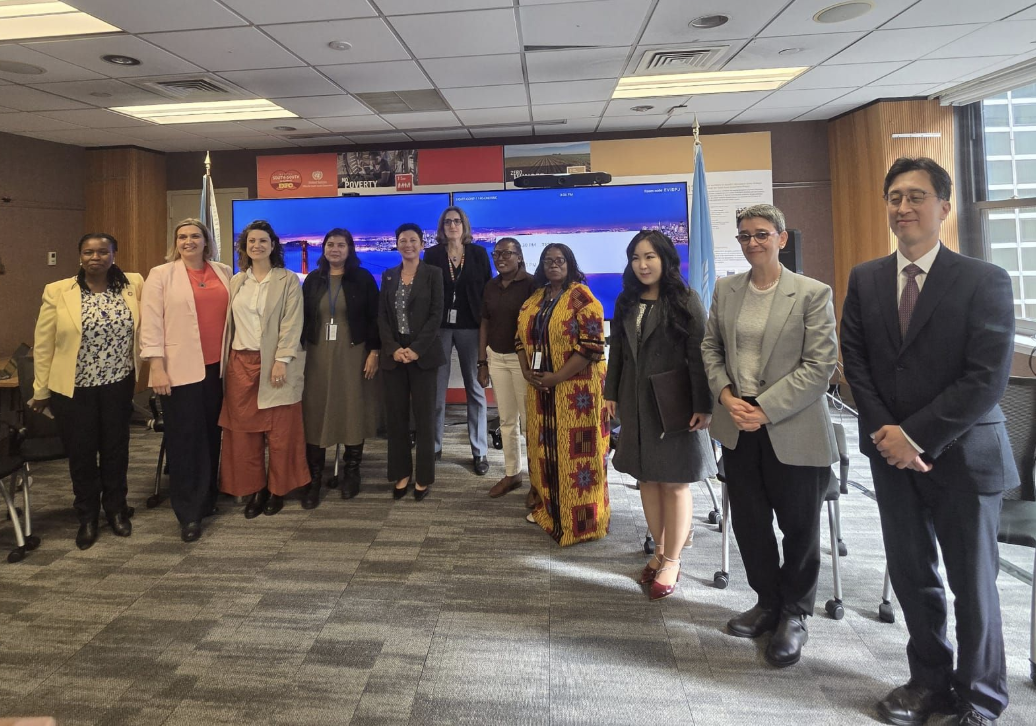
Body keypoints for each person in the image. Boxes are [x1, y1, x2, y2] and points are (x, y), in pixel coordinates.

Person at [841, 157, 1015, 726]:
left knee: (974, 586)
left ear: (944, 206)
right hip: (892, 458)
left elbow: (985, 377)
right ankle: (929, 681)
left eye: (916, 196)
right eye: (894, 197)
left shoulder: (983, 279)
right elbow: (857, 365)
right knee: (913, 575)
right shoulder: (866, 278)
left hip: (964, 456)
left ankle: (981, 698)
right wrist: (890, 436)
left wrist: (916, 435)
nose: (903, 207)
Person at [701, 204, 838, 668]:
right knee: (751, 524)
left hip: (793, 429)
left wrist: (764, 408)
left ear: (781, 238)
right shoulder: (726, 289)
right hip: (738, 429)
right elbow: (711, 347)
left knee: (799, 528)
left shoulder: (812, 294)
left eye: (761, 234)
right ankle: (767, 602)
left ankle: (795, 614)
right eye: (744, 236)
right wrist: (723, 395)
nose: (752, 243)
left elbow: (820, 369)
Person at [604, 230, 716, 600]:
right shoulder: (626, 301)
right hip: (636, 402)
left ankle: (672, 559)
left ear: (666, 259)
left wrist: (704, 404)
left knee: (675, 482)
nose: (643, 264)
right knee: (647, 479)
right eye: (636, 257)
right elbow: (617, 353)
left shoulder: (685, 300)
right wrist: (611, 394)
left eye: (650, 256)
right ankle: (659, 551)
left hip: (675, 403)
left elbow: (700, 355)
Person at [29, 233, 143, 550]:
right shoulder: (58, 291)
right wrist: (41, 389)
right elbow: (43, 344)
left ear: (114, 254)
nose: (96, 257)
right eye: (88, 252)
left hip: (118, 385)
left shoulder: (132, 284)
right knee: (81, 455)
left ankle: (117, 510)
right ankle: (88, 517)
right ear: (79, 256)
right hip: (73, 389)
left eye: (103, 251)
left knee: (116, 451)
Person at [141, 218, 232, 543]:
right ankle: (188, 511)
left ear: (206, 241)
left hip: (216, 370)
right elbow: (150, 323)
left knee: (211, 435)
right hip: (178, 371)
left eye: (195, 236)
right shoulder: (161, 275)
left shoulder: (223, 271)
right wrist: (156, 366)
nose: (189, 241)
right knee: (184, 440)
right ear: (175, 242)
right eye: (182, 236)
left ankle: (207, 499)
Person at [515, 243, 610, 546]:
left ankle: (584, 521)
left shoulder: (583, 297)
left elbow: (592, 346)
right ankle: (550, 510)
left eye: (559, 260)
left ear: (569, 263)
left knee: (578, 458)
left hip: (577, 394)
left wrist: (556, 377)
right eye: (547, 261)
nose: (553, 265)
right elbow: (519, 340)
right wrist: (528, 372)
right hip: (541, 392)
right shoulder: (535, 299)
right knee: (545, 451)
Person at [220, 220, 309, 518]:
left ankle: (277, 490)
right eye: (251, 241)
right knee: (244, 434)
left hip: (274, 364)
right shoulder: (237, 281)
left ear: (273, 246)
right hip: (240, 365)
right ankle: (255, 488)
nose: (256, 245)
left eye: (263, 241)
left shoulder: (288, 281)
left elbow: (292, 323)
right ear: (244, 247)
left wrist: (281, 360)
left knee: (282, 433)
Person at [301, 228, 380, 504]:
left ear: (350, 249)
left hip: (353, 352)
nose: (335, 249)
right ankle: (313, 478)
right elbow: (303, 318)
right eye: (330, 244)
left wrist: (375, 352)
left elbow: (374, 317)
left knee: (351, 406)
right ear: (323, 248)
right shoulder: (313, 280)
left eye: (341, 245)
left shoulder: (362, 279)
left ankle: (352, 472)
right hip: (317, 355)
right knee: (314, 409)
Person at [378, 223, 445, 501]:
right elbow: (382, 316)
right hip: (394, 357)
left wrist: (416, 349)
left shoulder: (433, 274)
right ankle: (401, 473)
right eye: (403, 240)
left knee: (425, 417)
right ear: (397, 244)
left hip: (423, 356)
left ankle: (424, 476)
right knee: (396, 418)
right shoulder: (389, 276)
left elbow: (435, 315)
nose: (408, 244)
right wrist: (394, 348)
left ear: (422, 243)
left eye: (413, 240)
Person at [424, 206, 492, 475]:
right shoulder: (432, 255)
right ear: (442, 227)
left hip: (471, 327)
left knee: (475, 390)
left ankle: (480, 451)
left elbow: (488, 290)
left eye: (457, 221)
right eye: (448, 222)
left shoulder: (478, 254)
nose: (453, 225)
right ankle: (434, 446)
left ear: (464, 226)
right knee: (436, 391)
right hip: (440, 328)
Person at [477, 237, 536, 499]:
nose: (501, 257)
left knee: (529, 423)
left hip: (521, 362)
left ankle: (538, 482)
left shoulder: (533, 284)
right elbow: (485, 323)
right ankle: (513, 474)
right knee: (506, 421)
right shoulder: (490, 285)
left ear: (520, 256)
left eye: (507, 253)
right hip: (496, 359)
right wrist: (482, 361)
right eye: (496, 253)